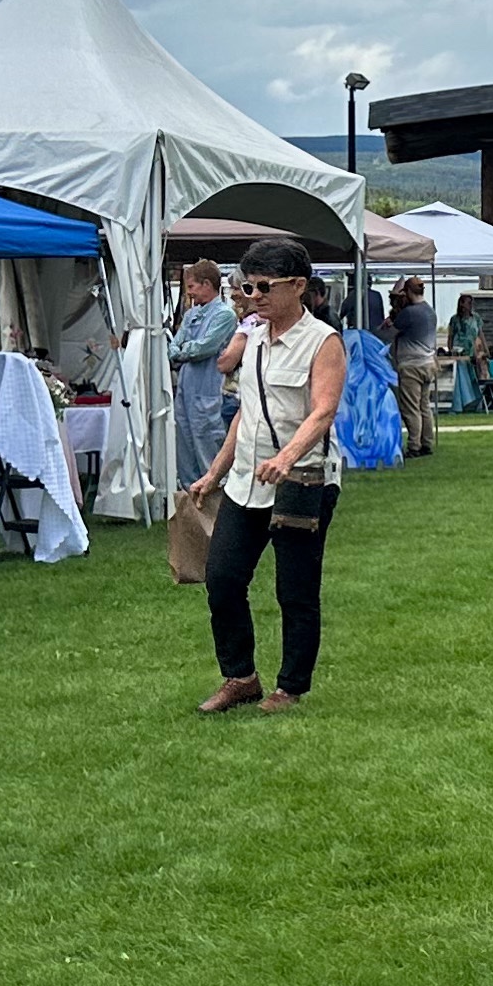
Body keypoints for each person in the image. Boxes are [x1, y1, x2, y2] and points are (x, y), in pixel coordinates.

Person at [196, 238, 347, 716]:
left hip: (302, 481)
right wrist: (215, 472)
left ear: (299, 285)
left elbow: (323, 411)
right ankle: (240, 678)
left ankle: (290, 687)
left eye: (265, 286)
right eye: (248, 287)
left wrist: (287, 458)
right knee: (222, 578)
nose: (254, 296)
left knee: (295, 590)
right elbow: (248, 412)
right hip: (245, 481)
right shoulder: (254, 338)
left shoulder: (323, 342)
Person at [167, 259, 237, 489]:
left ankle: (214, 501)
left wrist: (182, 351)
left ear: (207, 284)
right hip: (186, 392)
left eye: (191, 287)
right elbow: (173, 345)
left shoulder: (225, 315)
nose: (189, 293)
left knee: (207, 446)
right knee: (185, 448)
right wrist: (182, 350)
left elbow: (204, 347)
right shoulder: (191, 315)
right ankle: (190, 501)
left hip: (210, 391)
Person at [389, 276, 440, 457]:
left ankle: (414, 446)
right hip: (428, 363)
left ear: (409, 292)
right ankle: (427, 442)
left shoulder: (409, 313)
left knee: (411, 408)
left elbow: (392, 331)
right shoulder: (430, 311)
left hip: (411, 365)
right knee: (424, 406)